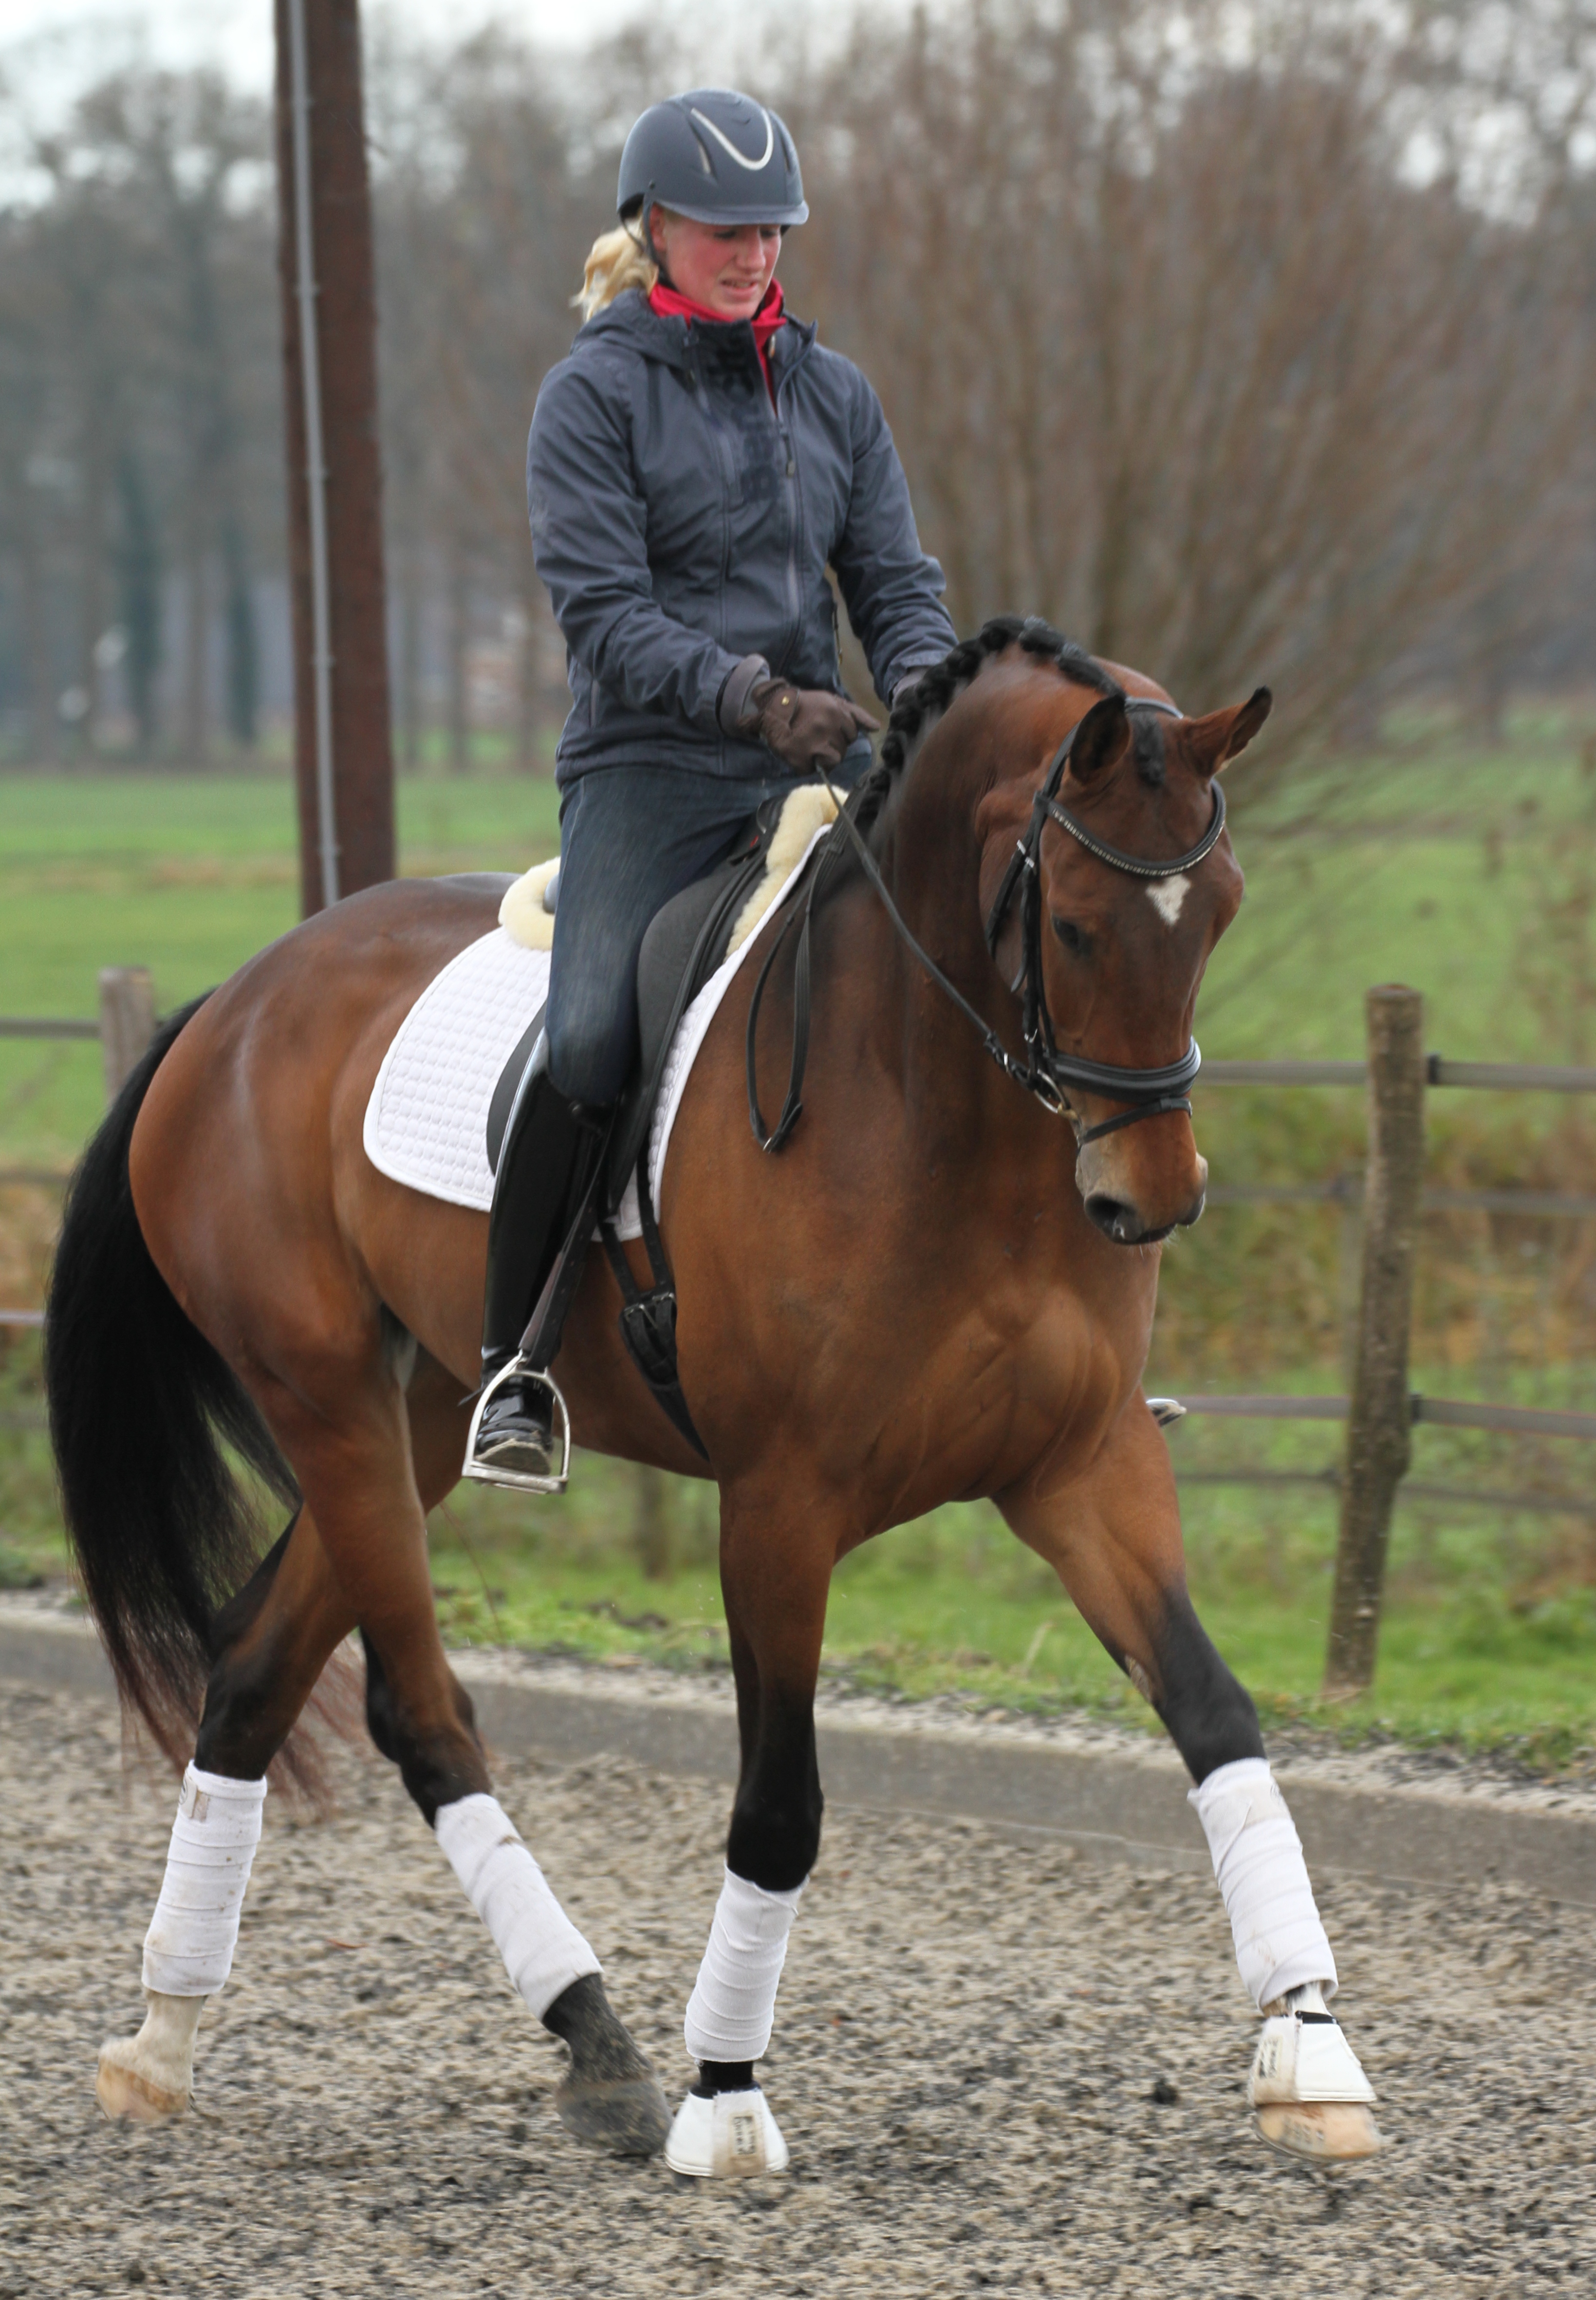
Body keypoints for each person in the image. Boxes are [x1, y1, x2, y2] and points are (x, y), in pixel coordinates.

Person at [469, 86, 958, 1483]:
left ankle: (1022, 1329)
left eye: (772, 229)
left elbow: (896, 588)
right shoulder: (591, 397)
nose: (754, 251)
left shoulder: (835, 391)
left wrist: (924, 688)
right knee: (590, 1043)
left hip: (820, 750)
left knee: (986, 954)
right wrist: (753, 698)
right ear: (655, 226)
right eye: (725, 228)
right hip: (653, 763)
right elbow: (607, 618)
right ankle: (515, 1363)